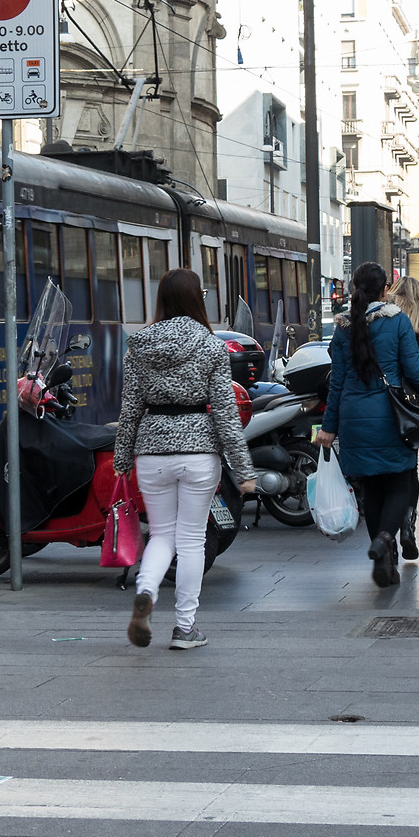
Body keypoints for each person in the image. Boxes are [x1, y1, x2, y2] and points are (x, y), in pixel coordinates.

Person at [114, 267, 255, 651]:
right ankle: (185, 627)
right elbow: (225, 412)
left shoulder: (139, 345)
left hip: (152, 449)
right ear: (196, 299)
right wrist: (244, 471)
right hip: (198, 451)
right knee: (191, 538)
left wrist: (122, 459)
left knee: (161, 534)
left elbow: (129, 410)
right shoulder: (210, 346)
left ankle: (146, 591)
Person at [313, 263, 419, 588]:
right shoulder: (397, 321)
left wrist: (329, 426)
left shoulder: (343, 327)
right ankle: (384, 538)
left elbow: (336, 382)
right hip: (390, 415)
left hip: (354, 417)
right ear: (385, 289)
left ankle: (385, 558)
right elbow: (414, 368)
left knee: (371, 488)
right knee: (397, 483)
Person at [386, 273, 419, 563]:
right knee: (408, 469)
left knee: (384, 469)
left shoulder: (383, 316)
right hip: (409, 407)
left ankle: (387, 533)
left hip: (381, 401)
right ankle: (408, 526)